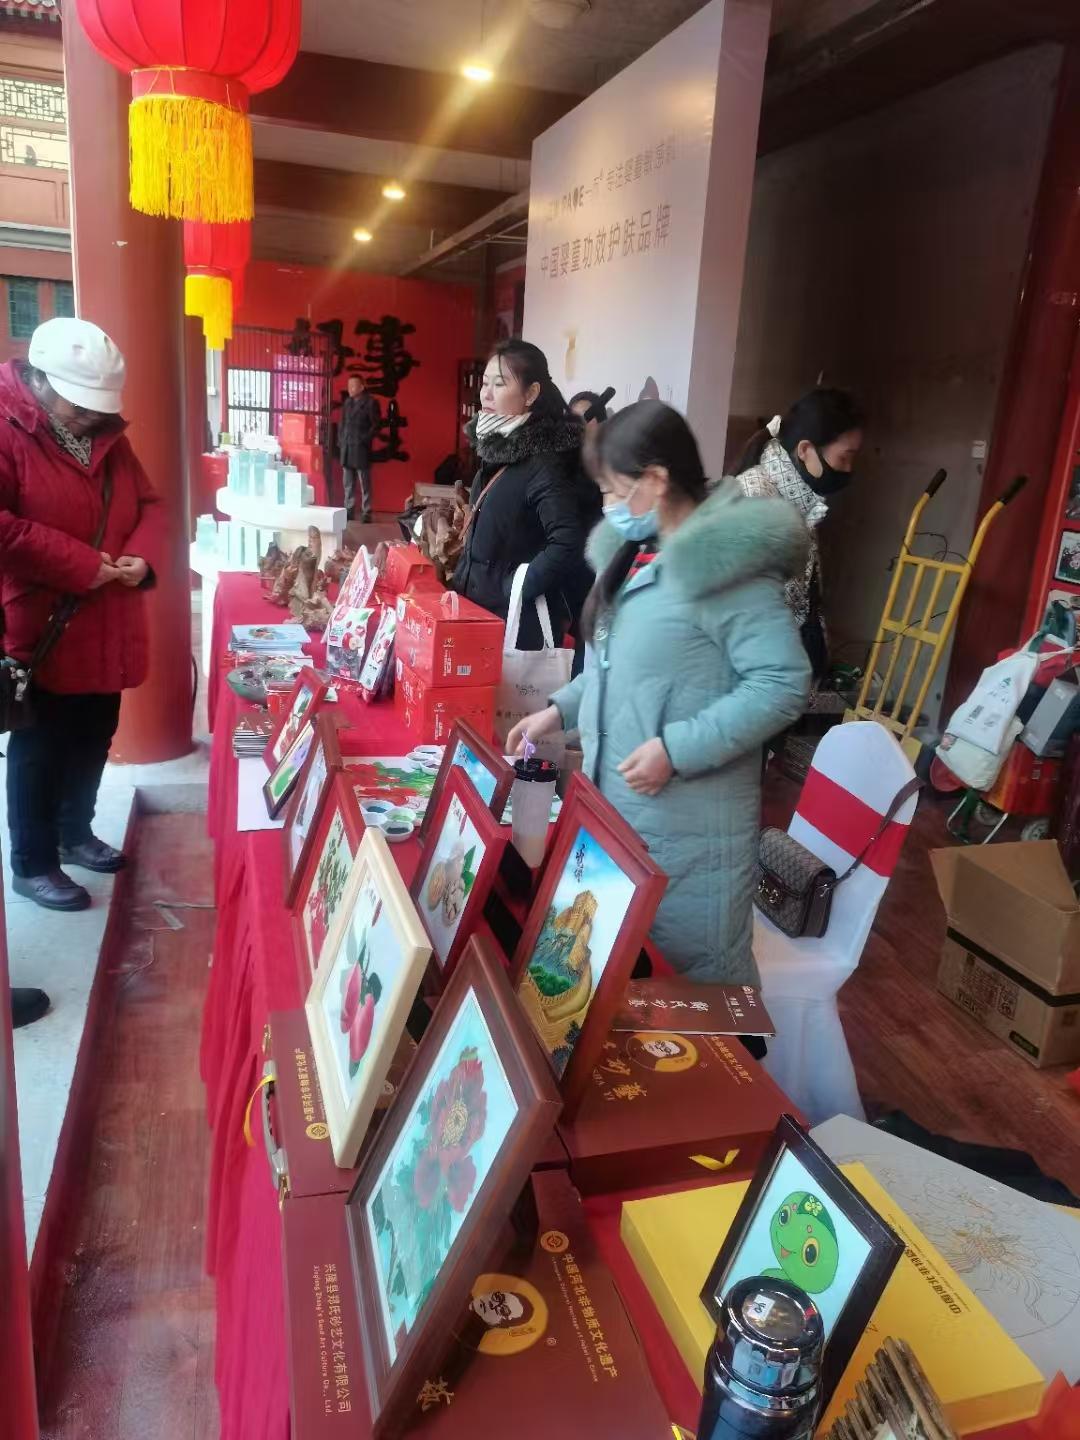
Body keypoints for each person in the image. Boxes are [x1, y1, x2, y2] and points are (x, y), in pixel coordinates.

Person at [508, 400, 810, 987]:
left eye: (613, 491)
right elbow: (619, 668)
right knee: (622, 980)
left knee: (684, 991)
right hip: (623, 813)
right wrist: (558, 712)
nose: (606, 505)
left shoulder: (727, 567)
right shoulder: (638, 555)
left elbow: (783, 682)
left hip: (687, 831)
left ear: (656, 479)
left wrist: (677, 749)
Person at [0, 317, 162, 976]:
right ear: (38, 381)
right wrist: (80, 563)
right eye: (78, 404)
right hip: (42, 622)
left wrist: (139, 561)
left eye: (99, 407)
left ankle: (75, 832)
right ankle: (33, 861)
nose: (90, 417)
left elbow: (149, 505)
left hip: (107, 616)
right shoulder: (8, 428)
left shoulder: (108, 437)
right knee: (40, 745)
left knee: (95, 730)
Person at [453, 340, 589, 649]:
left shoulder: (545, 463)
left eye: (499, 384)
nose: (486, 394)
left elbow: (568, 540)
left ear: (530, 394)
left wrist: (515, 588)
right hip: (480, 614)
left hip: (515, 628)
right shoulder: (497, 451)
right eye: (485, 383)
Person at [732, 387, 864, 681]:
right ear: (805, 450)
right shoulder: (755, 501)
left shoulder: (799, 504)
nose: (848, 469)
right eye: (844, 458)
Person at [338, 374, 380, 523]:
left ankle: (366, 511)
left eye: (353, 386)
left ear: (362, 387)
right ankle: (349, 509)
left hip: (361, 448)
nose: (350, 389)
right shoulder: (347, 402)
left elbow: (376, 425)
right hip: (347, 447)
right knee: (348, 483)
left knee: (364, 482)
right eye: (349, 386)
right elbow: (342, 423)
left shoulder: (371, 403)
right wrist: (341, 440)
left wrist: (364, 440)